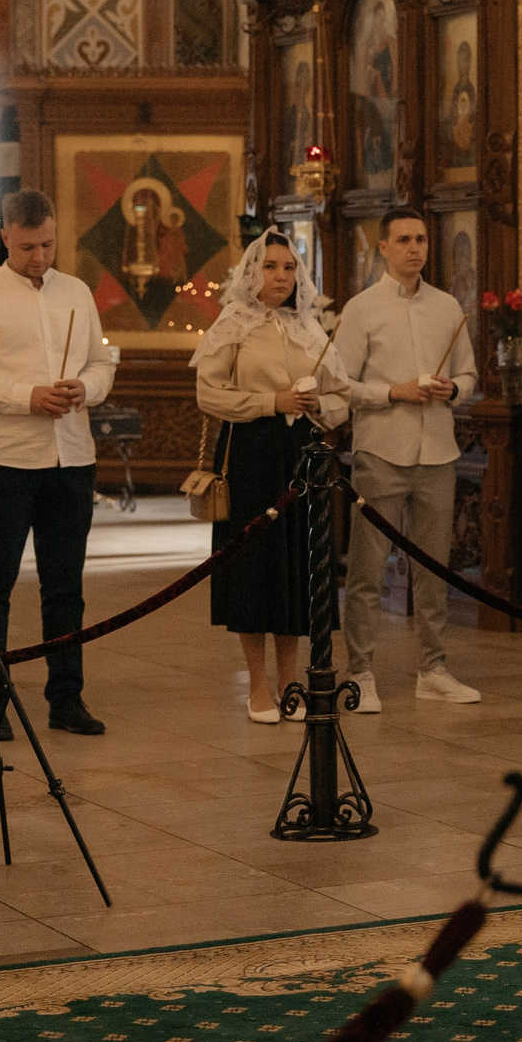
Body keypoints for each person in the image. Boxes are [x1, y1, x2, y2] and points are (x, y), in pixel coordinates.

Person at [0, 189, 116, 735]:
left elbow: (101, 361)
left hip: (70, 457)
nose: (40, 256)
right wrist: (26, 395)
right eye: (28, 246)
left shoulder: (77, 291)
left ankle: (67, 698)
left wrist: (84, 387)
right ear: (5, 237)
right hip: (4, 459)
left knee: (66, 585)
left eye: (49, 244)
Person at [193, 229, 352, 722]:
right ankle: (257, 686)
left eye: (289, 268)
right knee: (255, 567)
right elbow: (208, 393)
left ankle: (290, 681)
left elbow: (343, 396)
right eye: (270, 267)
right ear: (251, 272)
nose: (281, 276)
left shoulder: (309, 327)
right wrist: (270, 402)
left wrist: (317, 404)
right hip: (250, 452)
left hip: (301, 453)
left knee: (297, 566)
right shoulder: (233, 324)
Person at [334, 207, 481, 711]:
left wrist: (453, 389)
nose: (415, 248)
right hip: (381, 451)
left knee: (433, 568)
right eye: (404, 240)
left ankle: (433, 668)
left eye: (420, 239)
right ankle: (361, 671)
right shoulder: (361, 309)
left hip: (438, 451)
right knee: (369, 569)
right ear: (384, 248)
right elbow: (341, 385)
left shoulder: (447, 307)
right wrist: (392, 391)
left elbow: (469, 375)